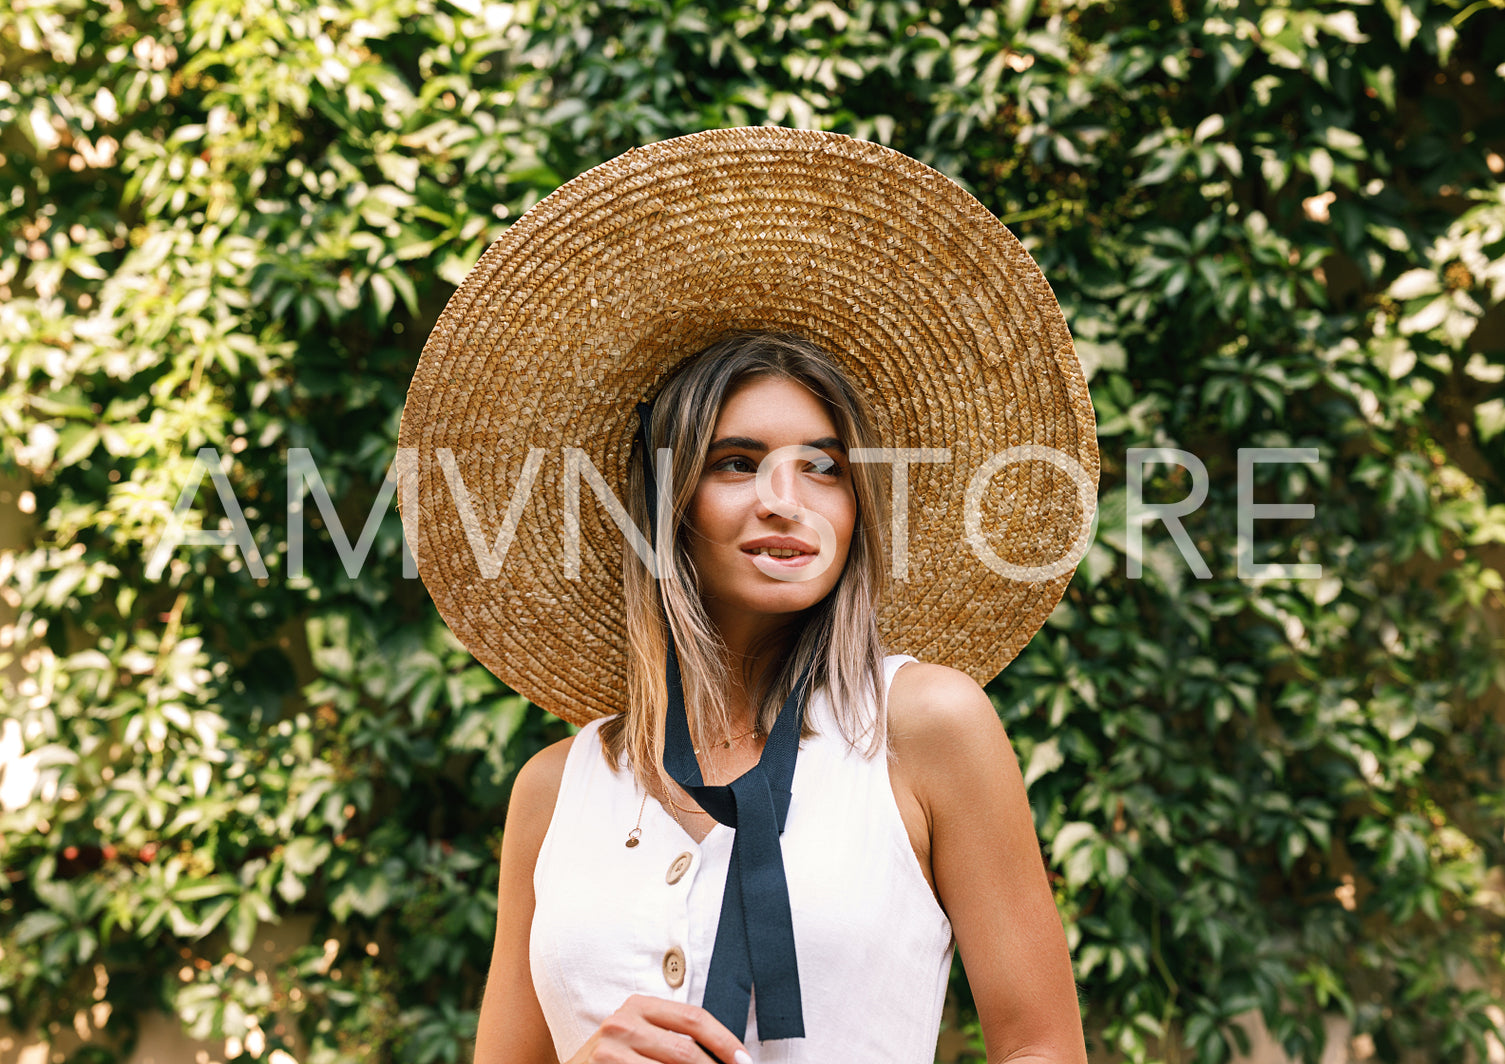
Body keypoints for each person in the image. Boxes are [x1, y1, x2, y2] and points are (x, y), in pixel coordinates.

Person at [399, 127, 1098, 1064]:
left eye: (823, 468)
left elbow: (1042, 1049)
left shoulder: (926, 724)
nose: (785, 501)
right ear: (666, 506)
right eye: (736, 462)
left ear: (857, 509)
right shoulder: (554, 792)